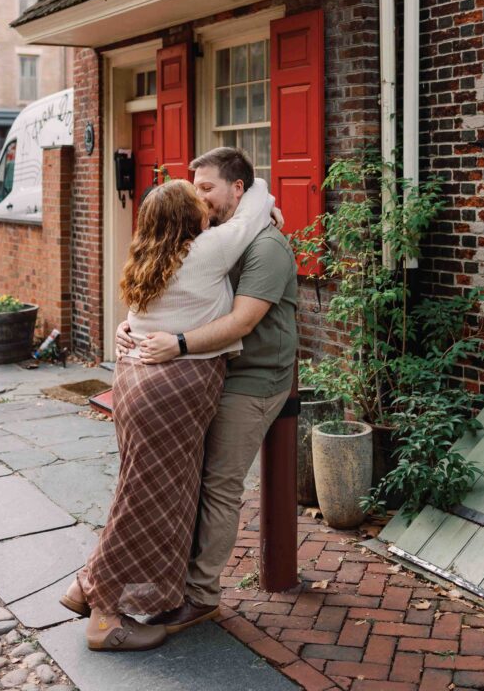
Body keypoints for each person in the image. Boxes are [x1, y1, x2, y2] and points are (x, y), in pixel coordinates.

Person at [61, 174, 273, 651]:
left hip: (135, 383)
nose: (205, 204)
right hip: (173, 391)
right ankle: (104, 616)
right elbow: (257, 203)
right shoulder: (206, 252)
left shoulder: (145, 259)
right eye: (197, 199)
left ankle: (86, 587)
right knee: (147, 501)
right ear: (185, 218)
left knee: (139, 492)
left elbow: (138, 319)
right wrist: (256, 195)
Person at [116, 147, 298, 633]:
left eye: (207, 188)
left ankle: (201, 596)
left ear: (238, 189)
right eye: (194, 189)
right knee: (182, 477)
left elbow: (242, 320)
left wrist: (174, 345)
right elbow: (173, 293)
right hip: (206, 369)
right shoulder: (209, 236)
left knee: (218, 484)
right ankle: (169, 579)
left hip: (253, 375)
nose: (199, 198)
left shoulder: (267, 246)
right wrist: (130, 327)